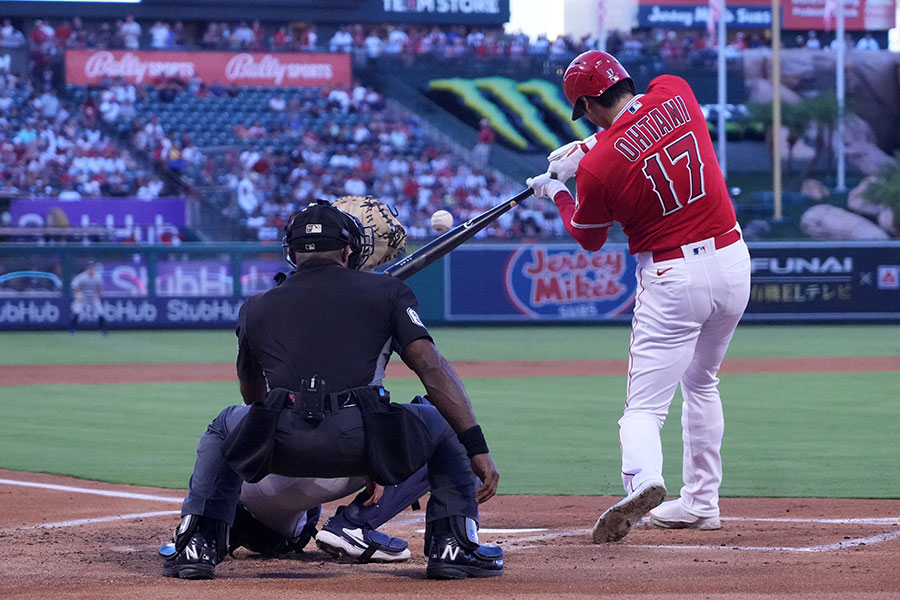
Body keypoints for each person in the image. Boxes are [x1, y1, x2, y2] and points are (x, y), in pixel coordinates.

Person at [161, 200, 504, 580]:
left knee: (224, 424)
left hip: (282, 446)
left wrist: (265, 436)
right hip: (364, 443)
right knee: (442, 420)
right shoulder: (388, 292)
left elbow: (251, 389)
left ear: (291, 253)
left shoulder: (256, 306)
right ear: (347, 250)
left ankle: (197, 540)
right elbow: (431, 369)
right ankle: (454, 543)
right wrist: (476, 446)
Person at [527, 50, 751, 543]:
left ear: (586, 104)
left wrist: (555, 190)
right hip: (733, 261)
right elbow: (641, 125)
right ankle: (700, 503)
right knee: (703, 382)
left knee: (644, 409)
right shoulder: (676, 90)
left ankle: (643, 481)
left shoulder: (600, 167)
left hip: (673, 276)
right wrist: (587, 147)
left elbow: (588, 236)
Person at [70, 262, 107, 335]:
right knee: (77, 311)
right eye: (90, 268)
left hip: (93, 296)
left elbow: (100, 288)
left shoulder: (97, 277)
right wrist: (78, 294)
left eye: (92, 268)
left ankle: (103, 330)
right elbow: (75, 286)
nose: (91, 269)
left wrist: (98, 295)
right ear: (87, 269)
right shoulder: (82, 277)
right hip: (83, 296)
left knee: (100, 311)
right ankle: (72, 330)